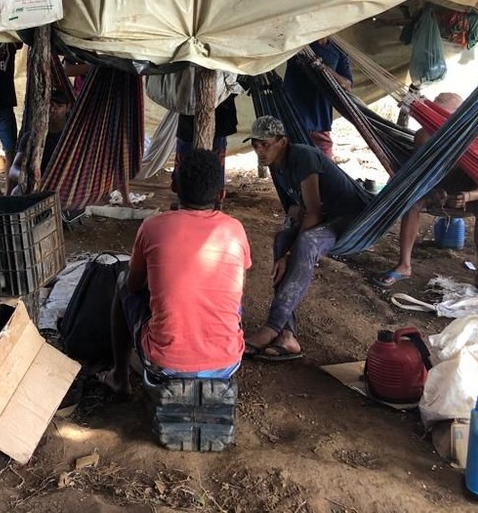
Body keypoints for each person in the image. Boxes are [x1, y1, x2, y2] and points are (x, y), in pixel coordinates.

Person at [98, 148, 252, 395]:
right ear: (221, 194)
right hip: (227, 363)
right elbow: (239, 289)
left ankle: (119, 377)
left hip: (164, 363)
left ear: (173, 186)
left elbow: (134, 285)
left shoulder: (152, 227)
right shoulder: (235, 229)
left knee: (122, 281)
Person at [243, 115, 371, 361]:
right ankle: (287, 336)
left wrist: (290, 254)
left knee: (306, 242)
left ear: (282, 142)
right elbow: (297, 207)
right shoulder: (276, 165)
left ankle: (273, 326)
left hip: (352, 218)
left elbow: (313, 211)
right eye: (255, 144)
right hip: (326, 218)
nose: (259, 150)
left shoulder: (303, 157)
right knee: (281, 239)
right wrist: (286, 245)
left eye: (265, 144)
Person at [374, 92, 478, 297]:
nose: (440, 122)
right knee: (412, 203)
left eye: (447, 117)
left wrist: (468, 196)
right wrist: (431, 190)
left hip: (467, 194)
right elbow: (419, 174)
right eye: (435, 115)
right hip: (433, 191)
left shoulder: (477, 141)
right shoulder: (424, 137)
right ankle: (404, 265)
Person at [283, 37, 353, 160]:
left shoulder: (338, 51)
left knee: (325, 166)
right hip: (295, 121)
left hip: (321, 122)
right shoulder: (300, 46)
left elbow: (347, 85)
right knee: (298, 164)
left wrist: (324, 68)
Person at [7, 87, 71, 194]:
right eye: (50, 105)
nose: (52, 110)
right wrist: (30, 179)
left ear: (68, 108)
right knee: (15, 192)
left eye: (59, 106)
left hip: (65, 187)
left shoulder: (72, 138)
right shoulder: (31, 137)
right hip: (38, 187)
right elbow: (13, 170)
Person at [172, 93, 237, 193]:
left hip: (218, 114)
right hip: (191, 111)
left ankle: (210, 193)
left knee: (213, 158)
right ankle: (185, 191)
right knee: (188, 154)